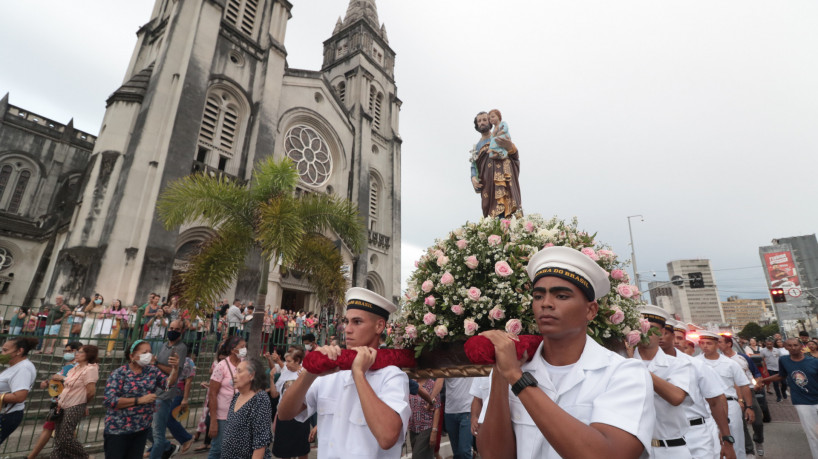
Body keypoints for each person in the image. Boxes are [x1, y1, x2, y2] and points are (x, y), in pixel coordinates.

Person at [476, 246, 654, 458]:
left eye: (561, 296)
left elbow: (608, 454)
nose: (546, 304)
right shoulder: (514, 367)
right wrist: (500, 375)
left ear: (591, 310)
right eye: (538, 296)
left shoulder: (623, 373)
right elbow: (492, 455)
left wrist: (517, 379)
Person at [278, 287, 411, 459]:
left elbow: (387, 437)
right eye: (346, 321)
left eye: (357, 322)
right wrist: (311, 372)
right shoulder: (330, 372)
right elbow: (285, 413)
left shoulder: (392, 376)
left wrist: (358, 374)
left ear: (379, 326)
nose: (347, 329)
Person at [663, 320, 735, 459]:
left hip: (696, 432)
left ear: (685, 341)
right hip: (665, 433)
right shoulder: (647, 365)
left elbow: (717, 400)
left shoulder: (697, 365)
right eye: (672, 336)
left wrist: (726, 437)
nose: (676, 341)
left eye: (680, 338)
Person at [102, 339, 179, 459]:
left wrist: (175, 369)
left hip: (141, 429)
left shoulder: (152, 371)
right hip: (118, 430)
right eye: (145, 352)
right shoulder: (119, 373)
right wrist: (139, 400)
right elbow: (110, 400)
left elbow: (167, 384)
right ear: (132, 356)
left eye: (150, 352)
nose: (149, 355)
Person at [633, 306, 693, 458]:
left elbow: (676, 397)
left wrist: (635, 367)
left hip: (670, 448)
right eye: (640, 327)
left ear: (661, 333)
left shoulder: (677, 364)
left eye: (651, 328)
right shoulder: (619, 362)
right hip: (633, 449)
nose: (644, 332)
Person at [757, 338, 818, 457]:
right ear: (785, 347)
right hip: (802, 401)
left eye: (795, 345)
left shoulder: (814, 362)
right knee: (812, 433)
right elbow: (781, 375)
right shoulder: (784, 360)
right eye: (789, 346)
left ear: (801, 346)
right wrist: (764, 380)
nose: (793, 347)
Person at [697, 331, 753, 459]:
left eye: (709, 343)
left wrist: (749, 406)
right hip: (705, 405)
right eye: (702, 343)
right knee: (710, 441)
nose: (705, 346)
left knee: (735, 439)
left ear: (717, 345)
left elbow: (744, 385)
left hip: (730, 404)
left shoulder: (730, 364)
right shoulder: (695, 363)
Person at [27, 341, 82, 459]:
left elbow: (78, 383)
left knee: (56, 431)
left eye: (70, 351)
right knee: (64, 433)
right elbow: (56, 381)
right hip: (57, 402)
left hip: (66, 403)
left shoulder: (79, 367)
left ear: (78, 351)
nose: (67, 353)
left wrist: (61, 378)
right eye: (66, 351)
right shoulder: (67, 366)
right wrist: (47, 382)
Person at [469, 110, 522, 218]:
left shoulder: (499, 137)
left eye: (485, 119)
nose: (482, 122)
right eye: (479, 121)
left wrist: (509, 147)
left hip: (503, 179)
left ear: (490, 121)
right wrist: (473, 177)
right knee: (491, 216)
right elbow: (474, 165)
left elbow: (514, 155)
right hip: (488, 184)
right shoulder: (477, 147)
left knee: (506, 209)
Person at [719, 334, 765, 457]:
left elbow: (756, 372)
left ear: (729, 344)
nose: (718, 345)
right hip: (732, 396)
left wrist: (758, 382)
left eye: (720, 342)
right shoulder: (719, 360)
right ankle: (749, 450)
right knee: (741, 424)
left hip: (748, 391)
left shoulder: (742, 357)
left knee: (758, 421)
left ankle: (758, 440)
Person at [148, 319, 188, 459]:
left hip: (164, 393)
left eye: (176, 329)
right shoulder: (165, 345)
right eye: (171, 327)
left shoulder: (180, 348)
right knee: (146, 427)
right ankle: (167, 447)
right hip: (154, 390)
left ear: (182, 331)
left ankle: (161, 450)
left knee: (157, 433)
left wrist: (156, 363)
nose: (172, 330)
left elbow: (173, 371)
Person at [51, 344, 99, 459]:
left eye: (81, 352)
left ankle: (84, 456)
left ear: (88, 355)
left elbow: (91, 391)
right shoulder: (75, 368)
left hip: (75, 405)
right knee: (58, 438)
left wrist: (83, 404)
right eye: (77, 352)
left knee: (65, 438)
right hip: (62, 404)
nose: (77, 354)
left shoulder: (91, 369)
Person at [221, 358, 272, 458]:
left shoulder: (260, 399)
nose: (234, 376)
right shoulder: (236, 396)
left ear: (251, 375)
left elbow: (260, 443)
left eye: (239, 372)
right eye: (235, 371)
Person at [208, 336, 246, 459]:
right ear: (232, 350)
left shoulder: (246, 364)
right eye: (242, 347)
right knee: (218, 449)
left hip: (241, 413)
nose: (245, 349)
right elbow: (212, 393)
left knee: (236, 449)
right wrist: (213, 421)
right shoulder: (221, 366)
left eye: (245, 347)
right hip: (223, 416)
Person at [272, 349, 310, 459]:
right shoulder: (285, 373)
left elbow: (308, 399)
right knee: (284, 450)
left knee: (301, 450)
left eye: (289, 361)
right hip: (284, 417)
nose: (286, 364)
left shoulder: (305, 373)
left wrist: (292, 412)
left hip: (299, 418)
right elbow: (277, 392)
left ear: (297, 361)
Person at [0, 337, 38, 445]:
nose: (2, 353)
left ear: (19, 351)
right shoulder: (16, 366)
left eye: (5, 350)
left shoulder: (23, 368)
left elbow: (20, 396)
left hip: (7, 415)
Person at [445, 376, 477, 459]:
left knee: (464, 451)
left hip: (467, 410)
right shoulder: (446, 364)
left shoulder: (470, 364)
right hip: (450, 411)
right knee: (457, 453)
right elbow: (439, 380)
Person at [409, 378, 442, 459]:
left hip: (426, 428)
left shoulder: (432, 385)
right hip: (412, 428)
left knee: (417, 456)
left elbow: (437, 408)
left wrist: (434, 431)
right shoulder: (411, 383)